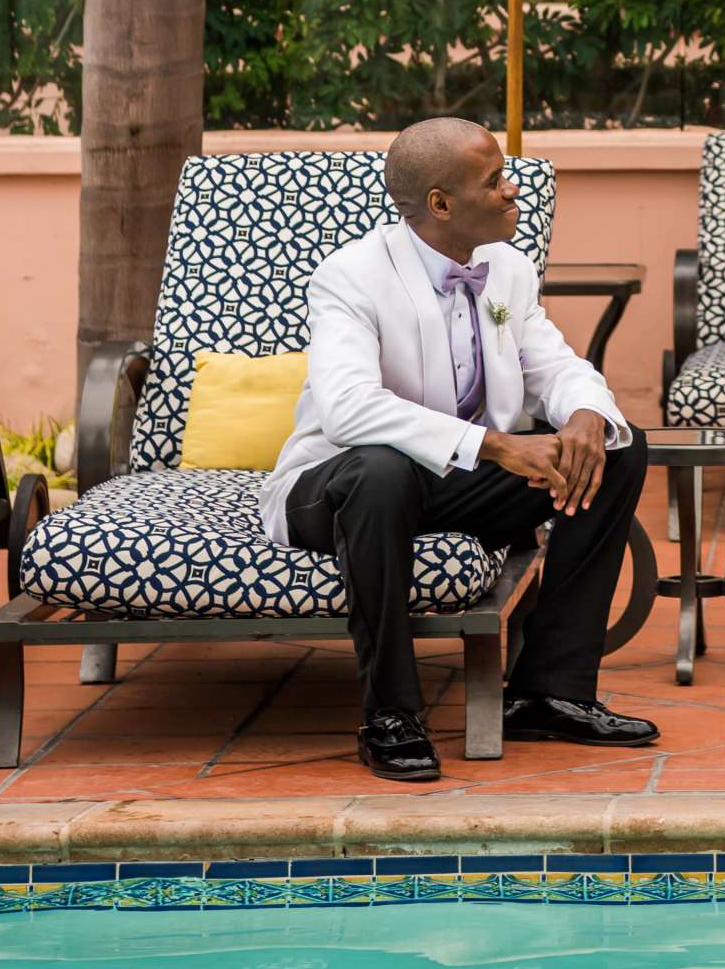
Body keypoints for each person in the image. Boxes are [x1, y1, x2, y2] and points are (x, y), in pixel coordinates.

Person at [260, 116, 656, 781]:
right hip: (336, 491)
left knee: (616, 448)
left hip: (451, 483)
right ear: (440, 203)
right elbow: (347, 408)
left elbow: (552, 364)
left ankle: (548, 691)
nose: (513, 192)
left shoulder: (506, 268)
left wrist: (586, 412)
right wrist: (496, 446)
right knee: (383, 472)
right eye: (495, 180)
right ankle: (391, 715)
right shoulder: (350, 276)